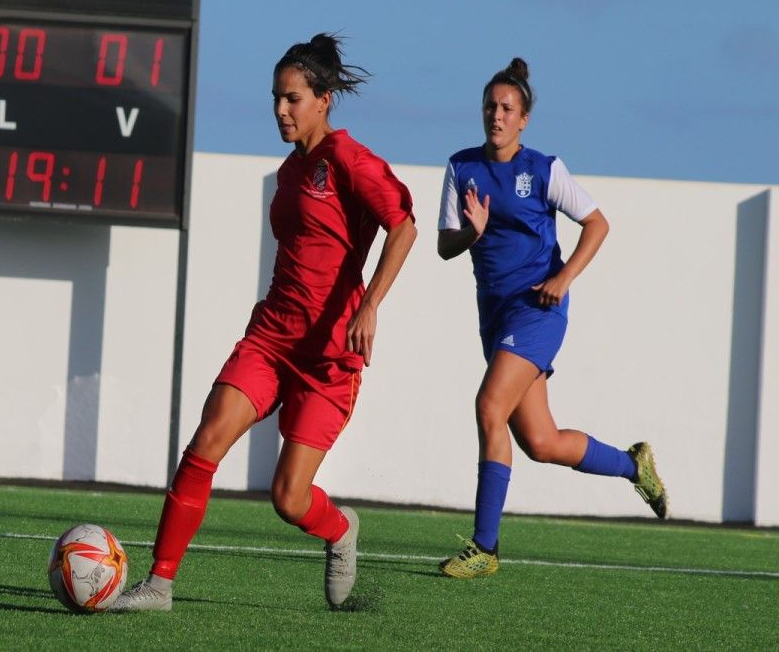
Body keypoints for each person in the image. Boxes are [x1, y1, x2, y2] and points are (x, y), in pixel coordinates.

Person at [113, 33, 417, 612]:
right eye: (276, 98)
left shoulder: (351, 161)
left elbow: (404, 228)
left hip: (328, 358)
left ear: (323, 99)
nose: (280, 109)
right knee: (207, 440)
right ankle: (158, 585)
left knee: (288, 497)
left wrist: (370, 304)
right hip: (271, 338)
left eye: (292, 98)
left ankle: (340, 531)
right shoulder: (289, 171)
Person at [435, 58, 668, 579]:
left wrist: (563, 281)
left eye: (507, 109)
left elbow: (597, 223)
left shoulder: (542, 169)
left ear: (524, 119)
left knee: (488, 406)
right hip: (494, 315)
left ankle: (484, 548)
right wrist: (470, 235)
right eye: (490, 107)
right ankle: (634, 464)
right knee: (540, 441)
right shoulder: (461, 168)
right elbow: (444, 247)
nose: (496, 116)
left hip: (538, 309)